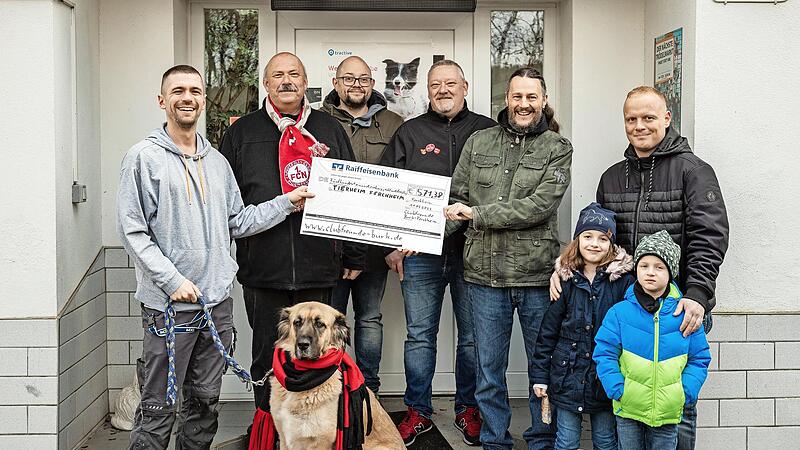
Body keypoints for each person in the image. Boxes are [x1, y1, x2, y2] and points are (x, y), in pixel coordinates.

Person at [117, 64, 313, 449]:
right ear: (162, 101)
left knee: (205, 403)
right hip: (169, 309)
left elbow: (237, 222)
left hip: (216, 306)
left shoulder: (219, 164)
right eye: (177, 91)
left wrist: (287, 203)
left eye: (194, 91)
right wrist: (173, 282)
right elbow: (132, 231)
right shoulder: (143, 158)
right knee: (160, 406)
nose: (187, 98)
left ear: (204, 100)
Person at [550, 86, 728, 449]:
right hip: (627, 309)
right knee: (628, 409)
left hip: (678, 307)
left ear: (667, 118)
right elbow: (597, 241)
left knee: (677, 409)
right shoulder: (612, 177)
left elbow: (709, 237)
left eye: (648, 117)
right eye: (631, 119)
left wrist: (697, 295)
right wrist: (564, 267)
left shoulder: (693, 171)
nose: (639, 126)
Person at [219, 52, 366, 413]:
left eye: (294, 74)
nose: (286, 81)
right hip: (263, 268)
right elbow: (225, 200)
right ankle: (268, 429)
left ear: (305, 82)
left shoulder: (329, 129)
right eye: (278, 75)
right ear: (266, 84)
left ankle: (315, 428)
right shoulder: (242, 132)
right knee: (268, 356)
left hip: (319, 265)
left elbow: (350, 192)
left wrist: (353, 253)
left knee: (319, 355)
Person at [445, 67, 572, 450]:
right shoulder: (479, 142)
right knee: (488, 371)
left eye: (532, 97)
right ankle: (494, 441)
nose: (524, 104)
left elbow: (538, 206)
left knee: (542, 366)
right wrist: (417, 236)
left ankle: (540, 439)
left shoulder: (558, 148)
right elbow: (457, 198)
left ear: (544, 100)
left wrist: (477, 215)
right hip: (483, 277)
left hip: (537, 278)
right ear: (507, 99)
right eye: (517, 96)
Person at [380, 59, 495, 446]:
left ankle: (468, 408)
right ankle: (417, 411)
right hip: (420, 255)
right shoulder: (409, 133)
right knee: (419, 337)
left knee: (473, 338)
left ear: (465, 85)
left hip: (475, 253)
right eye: (436, 84)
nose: (443, 90)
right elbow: (388, 191)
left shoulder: (487, 131)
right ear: (427, 91)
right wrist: (393, 245)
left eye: (450, 83)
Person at [320, 56, 404, 394]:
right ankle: (331, 386)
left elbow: (405, 180)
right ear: (336, 83)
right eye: (349, 79)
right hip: (330, 244)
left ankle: (368, 390)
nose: (357, 85)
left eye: (364, 79)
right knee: (330, 318)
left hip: (374, 243)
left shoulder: (395, 123)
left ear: (373, 84)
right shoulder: (317, 121)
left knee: (370, 318)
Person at [593, 230, 711, 450]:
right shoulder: (620, 313)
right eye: (644, 265)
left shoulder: (683, 314)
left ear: (671, 272)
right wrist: (617, 388)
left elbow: (699, 358)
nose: (650, 273)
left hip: (668, 411)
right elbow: (604, 352)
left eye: (659, 267)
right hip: (628, 408)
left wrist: (683, 392)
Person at [531, 203, 633, 450]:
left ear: (612, 245)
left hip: (604, 379)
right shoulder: (566, 281)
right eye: (587, 236)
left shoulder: (623, 283)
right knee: (565, 441)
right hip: (566, 378)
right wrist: (540, 377)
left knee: (606, 440)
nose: (594, 244)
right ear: (577, 240)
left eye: (602, 238)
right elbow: (547, 334)